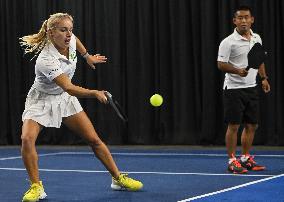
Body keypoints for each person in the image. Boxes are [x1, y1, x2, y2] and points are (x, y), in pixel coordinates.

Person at [19, 13, 143, 202]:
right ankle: (36, 187)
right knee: (27, 139)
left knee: (94, 140)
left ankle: (118, 179)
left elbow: (76, 42)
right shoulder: (45, 59)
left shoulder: (70, 39)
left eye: (70, 29)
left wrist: (87, 57)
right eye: (63, 30)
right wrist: (94, 93)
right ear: (51, 33)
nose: (69, 34)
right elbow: (68, 87)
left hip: (64, 99)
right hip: (41, 100)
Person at [217, 6, 270, 174]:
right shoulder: (227, 42)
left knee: (252, 125)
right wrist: (237, 70)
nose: (244, 21)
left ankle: (245, 158)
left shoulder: (257, 38)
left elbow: (259, 59)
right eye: (240, 18)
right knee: (234, 125)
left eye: (246, 17)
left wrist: (263, 78)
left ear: (252, 19)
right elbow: (221, 64)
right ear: (235, 21)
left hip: (251, 88)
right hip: (233, 89)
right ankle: (232, 160)